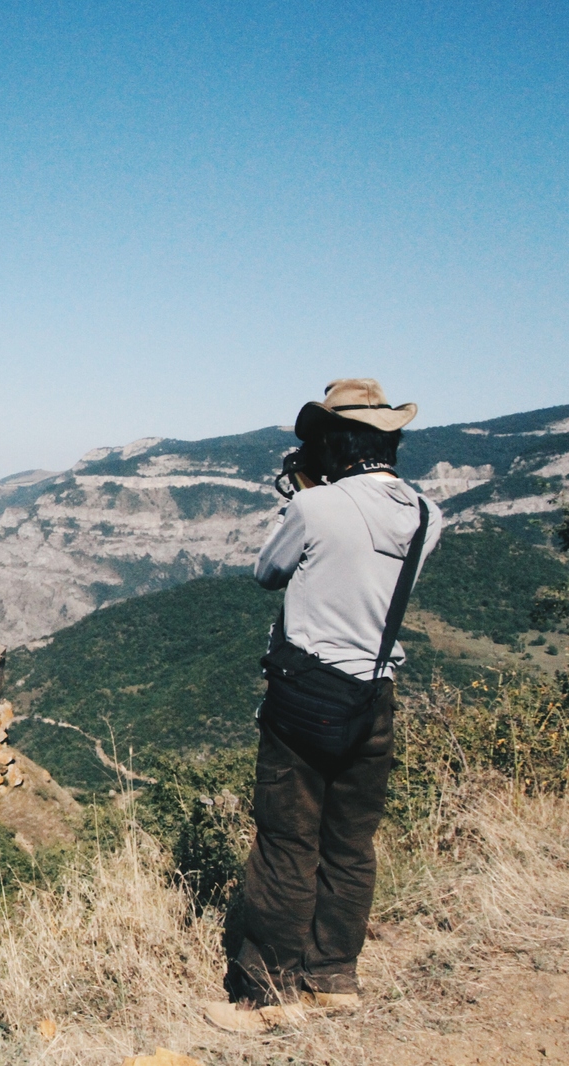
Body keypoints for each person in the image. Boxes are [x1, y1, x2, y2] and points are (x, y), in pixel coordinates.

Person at [204, 378, 443, 1034]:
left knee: (286, 842)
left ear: (335, 444)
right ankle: (333, 978)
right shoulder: (428, 514)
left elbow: (267, 574)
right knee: (350, 841)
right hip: (375, 696)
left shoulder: (316, 509)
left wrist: (308, 498)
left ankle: (266, 996)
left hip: (306, 694)